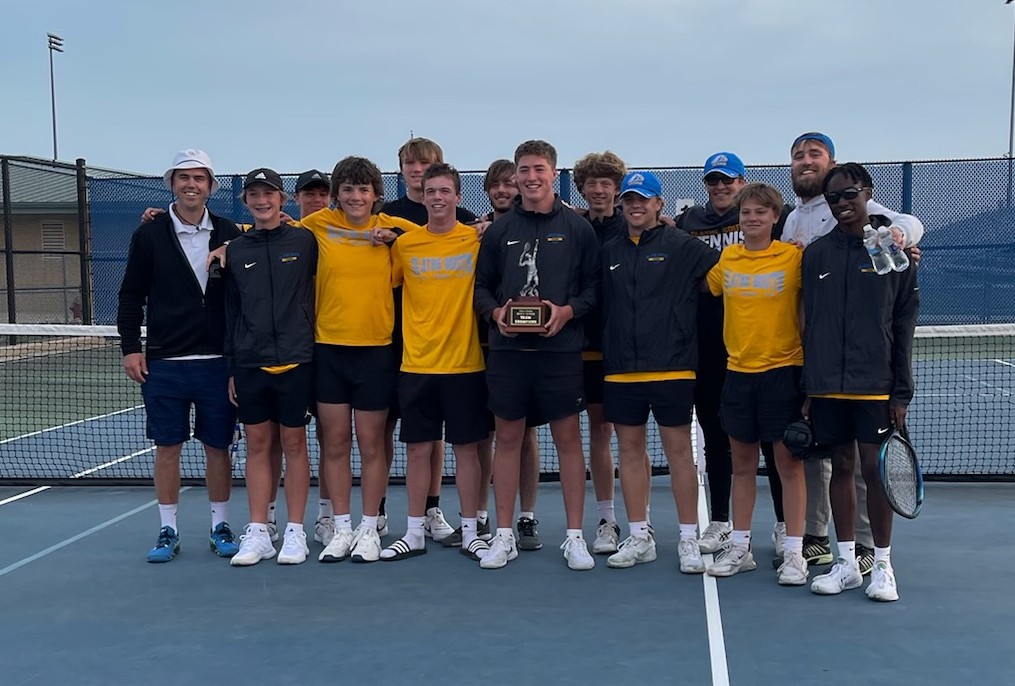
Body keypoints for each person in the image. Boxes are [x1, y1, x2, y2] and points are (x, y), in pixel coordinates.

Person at [782, 132, 924, 575]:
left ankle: (879, 562)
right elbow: (812, 318)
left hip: (874, 385)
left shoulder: (889, 243)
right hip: (826, 386)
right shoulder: (813, 250)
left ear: (868, 195)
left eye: (849, 195)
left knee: (871, 470)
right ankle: (842, 560)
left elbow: (902, 322)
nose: (842, 203)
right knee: (837, 467)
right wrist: (810, 385)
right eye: (834, 197)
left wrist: (901, 391)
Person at [474, 140, 600, 570]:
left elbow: (593, 290)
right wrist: (497, 314)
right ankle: (504, 536)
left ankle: (574, 538)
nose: (531, 178)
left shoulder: (579, 229)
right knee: (507, 440)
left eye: (539, 169)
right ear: (515, 176)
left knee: (568, 441)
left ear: (553, 172)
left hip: (561, 353)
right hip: (509, 353)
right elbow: (481, 289)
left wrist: (567, 312)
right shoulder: (499, 230)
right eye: (523, 170)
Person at [117, 149, 241, 562]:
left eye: (199, 178)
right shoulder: (149, 234)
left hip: (217, 365)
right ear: (172, 184)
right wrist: (131, 348)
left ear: (210, 186)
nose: (191, 185)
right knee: (167, 448)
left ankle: (219, 525)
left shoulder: (230, 232)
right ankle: (167, 530)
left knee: (217, 447)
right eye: (183, 178)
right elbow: (131, 294)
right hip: (165, 364)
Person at [298, 157, 419, 563]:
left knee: (371, 444)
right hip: (328, 350)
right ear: (338, 195)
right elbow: (269, 230)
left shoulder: (390, 230)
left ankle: (370, 527)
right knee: (334, 443)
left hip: (376, 352)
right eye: (348, 189)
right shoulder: (318, 225)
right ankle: (341, 527)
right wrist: (227, 240)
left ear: (375, 195)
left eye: (363, 189)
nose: (355, 196)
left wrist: (395, 236)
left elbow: (434, 234)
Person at [600, 171, 717, 573]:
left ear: (658, 205)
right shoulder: (608, 251)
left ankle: (687, 538)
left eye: (644, 199)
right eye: (630, 199)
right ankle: (639, 536)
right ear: (623, 204)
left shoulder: (683, 246)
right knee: (629, 454)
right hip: (620, 371)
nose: (636, 206)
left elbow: (726, 275)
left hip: (673, 368)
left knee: (680, 454)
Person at [677, 152, 791, 562]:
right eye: (713, 181)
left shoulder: (778, 222)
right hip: (710, 351)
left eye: (728, 180)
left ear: (743, 182)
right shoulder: (689, 223)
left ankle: (783, 526)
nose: (720, 187)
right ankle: (722, 522)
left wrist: (901, 233)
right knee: (717, 438)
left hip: (768, 356)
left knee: (775, 447)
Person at [701, 183, 808, 585]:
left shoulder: (793, 258)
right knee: (742, 466)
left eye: (761, 212)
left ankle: (794, 554)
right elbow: (701, 284)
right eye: (747, 213)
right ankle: (740, 548)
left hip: (783, 374)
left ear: (775, 218)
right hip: (737, 375)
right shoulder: (727, 259)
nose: (752, 219)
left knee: (788, 466)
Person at [382, 163, 490, 561]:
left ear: (459, 198)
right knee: (417, 452)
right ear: (422, 196)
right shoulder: (405, 246)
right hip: (417, 365)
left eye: (446, 191)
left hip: (465, 365)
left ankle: (470, 532)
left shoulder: (476, 239)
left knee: (466, 451)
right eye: (432, 191)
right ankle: (412, 532)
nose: (439, 198)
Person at [441, 159, 542, 550]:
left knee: (525, 433)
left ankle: (527, 518)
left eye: (508, 183)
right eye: (495, 185)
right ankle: (479, 518)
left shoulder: (536, 223)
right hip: (477, 345)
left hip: (522, 348)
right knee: (481, 433)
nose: (503, 190)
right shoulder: (472, 230)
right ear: (486, 190)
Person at [224, 168, 318, 566]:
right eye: (254, 195)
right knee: (259, 446)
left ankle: (296, 532)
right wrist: (232, 366)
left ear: (282, 199)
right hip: (250, 363)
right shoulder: (236, 249)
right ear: (246, 202)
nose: (262, 201)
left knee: (295, 445)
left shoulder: (305, 240)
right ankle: (259, 530)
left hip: (297, 360)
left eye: (269, 194)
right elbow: (231, 311)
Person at [571, 151, 629, 555]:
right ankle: (596, 520)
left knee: (615, 433)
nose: (598, 189)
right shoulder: (573, 227)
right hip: (576, 346)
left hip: (620, 350)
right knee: (581, 433)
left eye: (606, 182)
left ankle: (616, 521)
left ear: (616, 188)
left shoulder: (633, 226)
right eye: (592, 182)